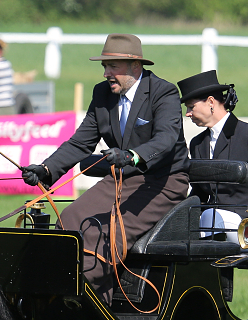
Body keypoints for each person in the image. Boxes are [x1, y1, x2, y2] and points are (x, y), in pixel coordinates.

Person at [21, 34, 189, 304]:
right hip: (122, 178)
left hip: (163, 182)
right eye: (104, 66)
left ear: (135, 66)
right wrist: (45, 169)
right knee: (70, 218)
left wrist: (132, 155)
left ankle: (89, 297)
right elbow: (80, 142)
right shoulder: (101, 93)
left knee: (107, 230)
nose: (106, 72)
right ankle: (70, 291)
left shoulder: (163, 92)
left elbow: (166, 139)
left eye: (113, 66)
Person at [177, 70, 248, 244]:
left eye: (191, 107)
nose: (187, 113)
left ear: (210, 102)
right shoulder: (197, 143)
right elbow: (200, 193)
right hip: (212, 229)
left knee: (210, 217)